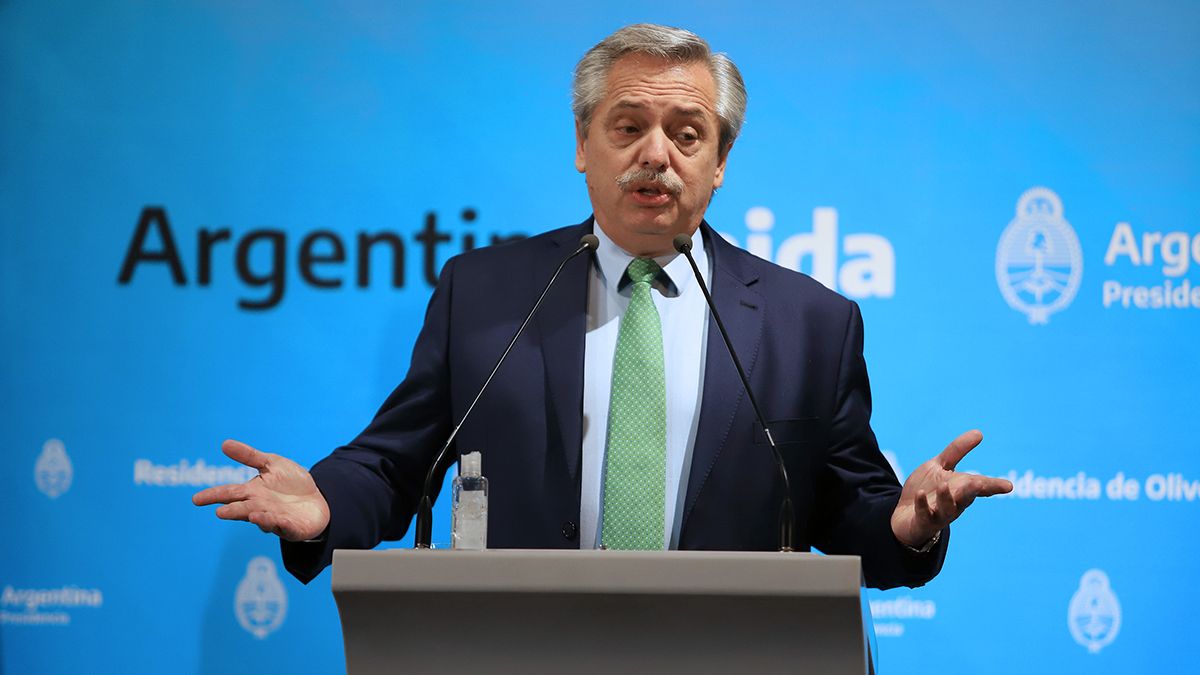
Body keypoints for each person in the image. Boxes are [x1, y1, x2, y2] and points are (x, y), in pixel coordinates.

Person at [194, 23, 1012, 588]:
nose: (656, 153)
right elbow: (393, 462)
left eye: (687, 133)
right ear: (583, 144)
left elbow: (854, 511)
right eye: (628, 126)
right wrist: (326, 504)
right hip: (522, 653)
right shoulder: (484, 292)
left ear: (720, 161)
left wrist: (911, 524)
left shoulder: (812, 325)